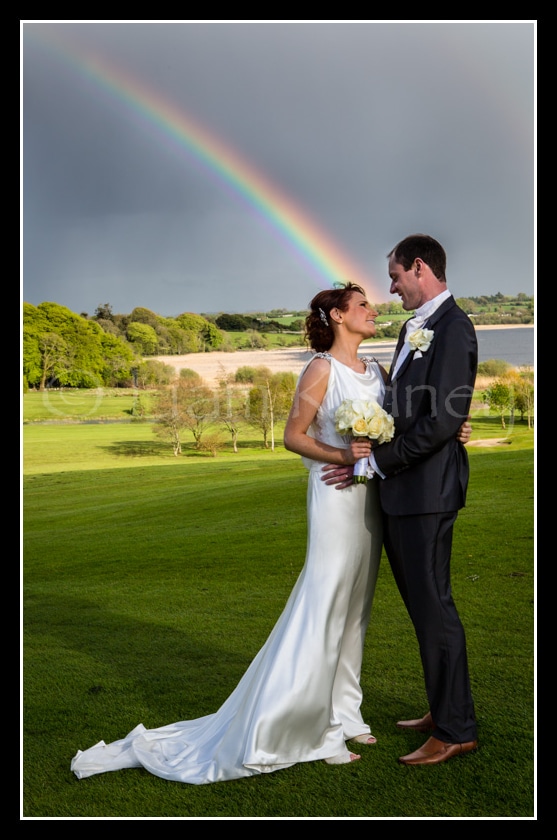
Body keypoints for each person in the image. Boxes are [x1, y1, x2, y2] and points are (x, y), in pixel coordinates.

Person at [71, 279, 472, 784]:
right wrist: (342, 456)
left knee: (355, 610)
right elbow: (292, 436)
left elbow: (409, 417)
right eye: (364, 304)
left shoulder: (377, 369)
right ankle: (313, 727)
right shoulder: (319, 369)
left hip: (373, 500)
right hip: (336, 499)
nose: (375, 308)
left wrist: (454, 425)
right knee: (324, 603)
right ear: (338, 317)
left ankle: (347, 712)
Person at [325, 234, 479, 766]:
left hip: (427, 493)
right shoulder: (418, 328)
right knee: (423, 609)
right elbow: (419, 410)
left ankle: (456, 729)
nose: (390, 288)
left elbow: (440, 419)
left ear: (419, 267)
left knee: (435, 609)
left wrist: (375, 462)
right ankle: (443, 707)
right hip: (407, 493)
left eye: (394, 277)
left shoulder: (453, 327)